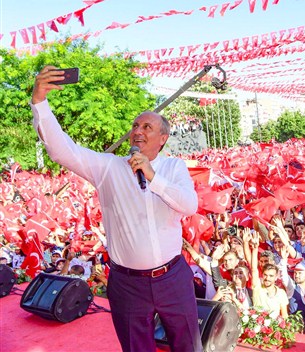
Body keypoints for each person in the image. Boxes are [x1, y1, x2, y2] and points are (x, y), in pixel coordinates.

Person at [31, 67, 200, 352]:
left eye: (147, 127)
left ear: (162, 139)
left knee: (187, 345)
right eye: (135, 125)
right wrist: (40, 102)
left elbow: (189, 205)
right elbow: (62, 151)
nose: (138, 131)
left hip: (173, 277)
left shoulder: (174, 168)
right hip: (127, 284)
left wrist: (153, 178)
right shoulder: (108, 168)